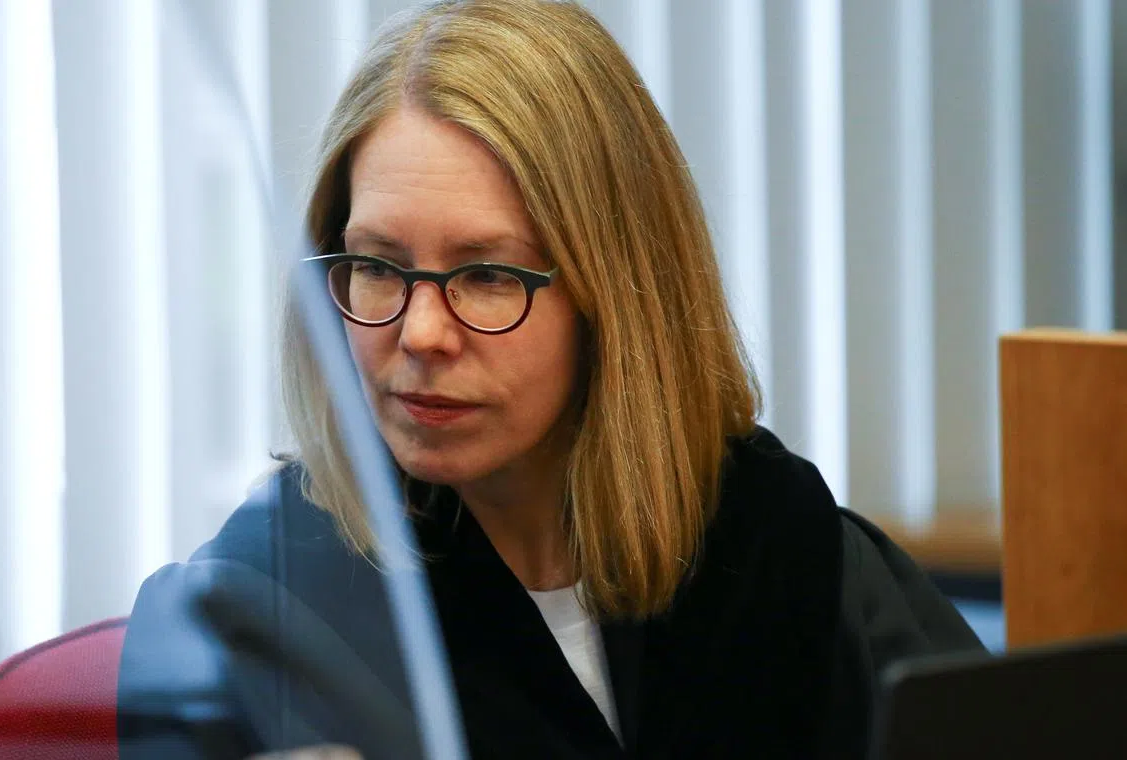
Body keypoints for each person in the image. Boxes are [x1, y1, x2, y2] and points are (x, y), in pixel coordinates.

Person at [117, 1, 983, 758]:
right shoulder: (258, 617)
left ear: (618, 298)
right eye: (378, 267)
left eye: (489, 274)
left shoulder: (779, 543)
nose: (420, 333)